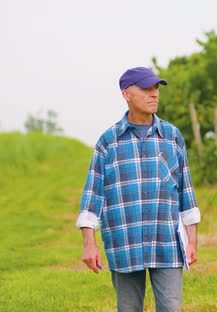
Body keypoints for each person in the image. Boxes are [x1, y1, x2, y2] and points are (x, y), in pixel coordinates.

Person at [75, 66, 201, 312]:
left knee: (171, 308)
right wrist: (89, 243)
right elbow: (93, 196)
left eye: (156, 88)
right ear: (126, 94)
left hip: (166, 242)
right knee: (128, 308)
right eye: (146, 89)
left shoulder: (172, 136)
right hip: (124, 241)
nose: (154, 94)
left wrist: (192, 240)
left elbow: (186, 192)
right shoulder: (108, 141)